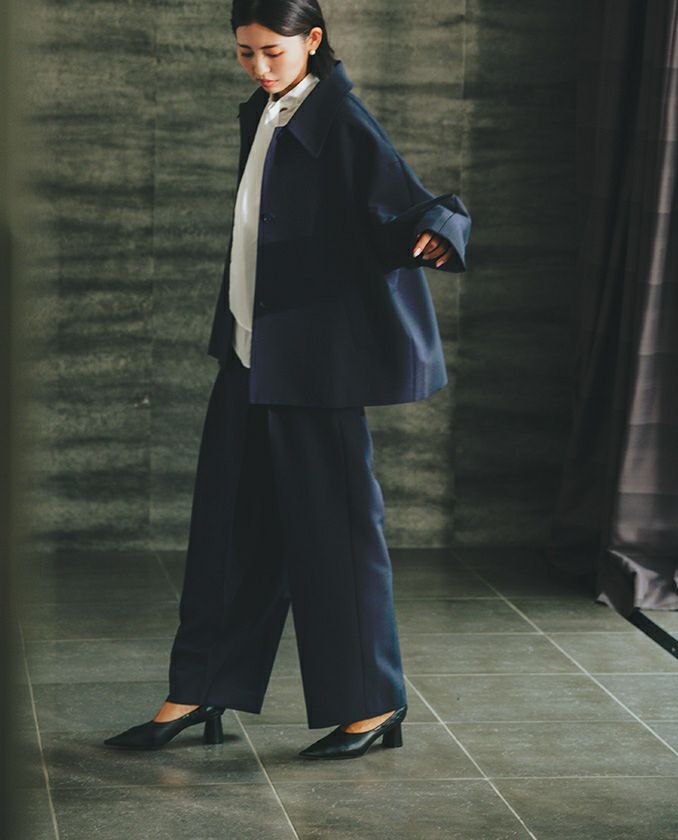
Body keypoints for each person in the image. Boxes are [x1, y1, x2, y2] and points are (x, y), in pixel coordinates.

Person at [103, 0, 471, 760]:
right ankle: (200, 687)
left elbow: (405, 203)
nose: (259, 66)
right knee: (228, 528)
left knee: (337, 535)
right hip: (251, 353)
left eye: (273, 50)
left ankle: (372, 704)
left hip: (314, 367)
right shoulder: (264, 112)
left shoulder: (339, 117)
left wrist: (437, 233)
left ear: (313, 40)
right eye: (245, 52)